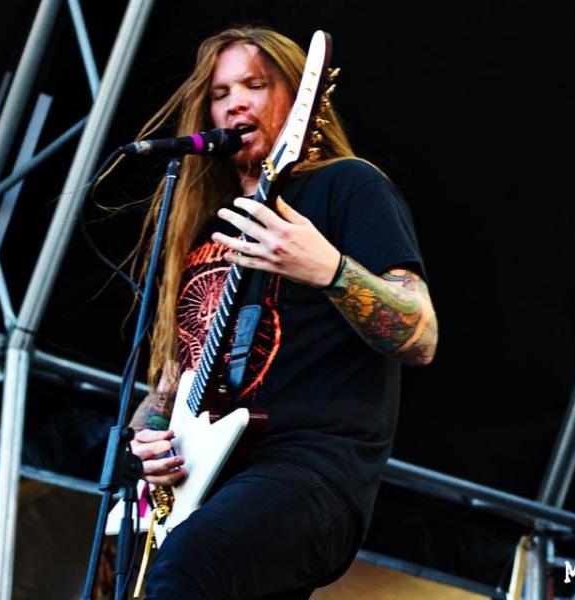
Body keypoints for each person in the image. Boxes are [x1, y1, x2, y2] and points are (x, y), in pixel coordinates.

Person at [126, 26, 438, 599]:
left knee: (190, 564)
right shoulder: (206, 227)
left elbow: (420, 336)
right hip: (208, 485)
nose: (235, 103)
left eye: (255, 85)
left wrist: (330, 269)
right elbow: (174, 376)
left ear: (300, 101)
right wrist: (147, 437)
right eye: (220, 93)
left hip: (309, 472)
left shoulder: (348, 186)